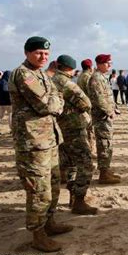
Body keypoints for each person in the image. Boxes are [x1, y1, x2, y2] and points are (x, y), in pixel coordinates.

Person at [9, 36, 73, 252]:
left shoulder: (40, 74)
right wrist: (57, 101)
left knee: (53, 184)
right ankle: (38, 235)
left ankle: (49, 223)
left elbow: (54, 96)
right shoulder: (24, 75)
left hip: (48, 139)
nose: (43, 57)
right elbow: (45, 104)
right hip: (33, 143)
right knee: (38, 190)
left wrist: (56, 100)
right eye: (38, 53)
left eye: (46, 54)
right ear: (27, 52)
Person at [52, 55, 98, 215]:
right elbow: (86, 103)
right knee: (86, 164)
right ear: (71, 68)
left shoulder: (51, 80)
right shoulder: (66, 83)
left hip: (60, 128)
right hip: (73, 128)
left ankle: (72, 196)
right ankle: (79, 200)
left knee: (70, 163)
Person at [88, 54, 121, 184]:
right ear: (100, 64)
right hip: (102, 117)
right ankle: (103, 174)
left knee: (107, 143)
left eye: (110, 63)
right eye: (107, 63)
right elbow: (98, 99)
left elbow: (107, 97)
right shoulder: (96, 78)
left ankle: (105, 170)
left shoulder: (101, 77)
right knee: (104, 144)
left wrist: (114, 107)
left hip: (105, 116)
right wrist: (109, 111)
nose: (109, 65)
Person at [77, 59, 96, 157]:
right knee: (90, 129)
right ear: (90, 67)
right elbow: (91, 92)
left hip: (82, 105)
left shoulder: (80, 76)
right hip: (88, 106)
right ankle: (91, 150)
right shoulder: (88, 77)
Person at [0, 71, 12, 135]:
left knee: (0, 116)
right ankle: (12, 129)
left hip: (0, 102)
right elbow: (5, 91)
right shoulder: (5, 82)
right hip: (7, 102)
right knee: (11, 114)